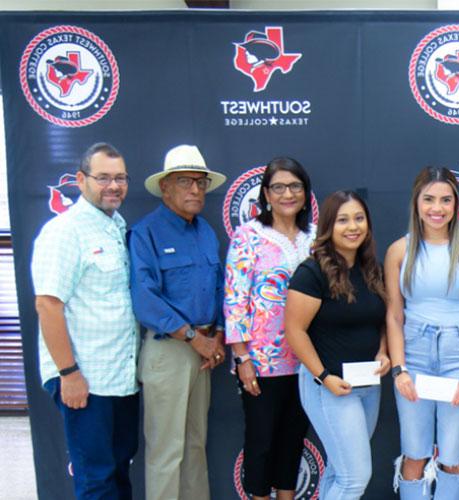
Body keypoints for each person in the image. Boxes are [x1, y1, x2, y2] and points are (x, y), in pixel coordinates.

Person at [31, 142, 139, 500]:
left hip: (120, 379)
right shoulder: (65, 231)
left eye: (120, 178)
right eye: (103, 177)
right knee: (96, 481)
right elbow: (48, 304)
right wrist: (68, 373)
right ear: (80, 180)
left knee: (119, 471)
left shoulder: (116, 226)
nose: (114, 186)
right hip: (85, 380)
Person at [385, 166, 459, 499]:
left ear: (456, 204)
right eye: (429, 199)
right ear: (416, 202)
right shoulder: (398, 251)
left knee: (453, 458)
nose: (437, 208)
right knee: (414, 453)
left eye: (446, 200)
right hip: (414, 355)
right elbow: (394, 315)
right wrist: (399, 369)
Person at [129, 144, 227, 500]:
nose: (195, 190)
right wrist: (192, 337)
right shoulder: (146, 233)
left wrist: (215, 335)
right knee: (166, 451)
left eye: (200, 183)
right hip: (169, 351)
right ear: (165, 187)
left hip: (204, 350)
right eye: (185, 182)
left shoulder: (205, 232)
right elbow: (145, 298)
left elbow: (219, 289)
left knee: (195, 446)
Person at [285, 190, 390, 499]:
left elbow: (380, 321)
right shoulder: (311, 272)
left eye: (359, 218)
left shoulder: (371, 270)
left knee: (339, 472)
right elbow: (294, 331)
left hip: (368, 386)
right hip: (329, 387)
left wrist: (384, 351)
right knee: (355, 478)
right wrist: (323, 376)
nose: (353, 226)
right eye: (343, 220)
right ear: (329, 226)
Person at [224, 157, 315, 500]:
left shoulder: (315, 238)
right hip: (261, 363)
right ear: (265, 194)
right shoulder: (249, 236)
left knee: (293, 440)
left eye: (295, 186)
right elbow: (235, 298)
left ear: (306, 194)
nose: (287, 193)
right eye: (278, 187)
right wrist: (241, 357)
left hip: (307, 362)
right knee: (260, 443)